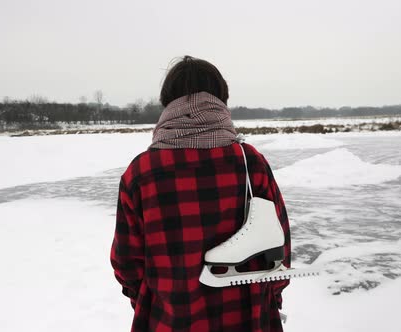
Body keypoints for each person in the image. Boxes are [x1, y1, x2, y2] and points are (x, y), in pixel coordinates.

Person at [110, 55, 291, 331]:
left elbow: (127, 263)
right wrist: (270, 301)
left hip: (170, 321)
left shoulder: (141, 174)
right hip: (249, 319)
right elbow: (279, 251)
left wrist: (152, 304)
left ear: (168, 102)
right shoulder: (250, 163)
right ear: (221, 98)